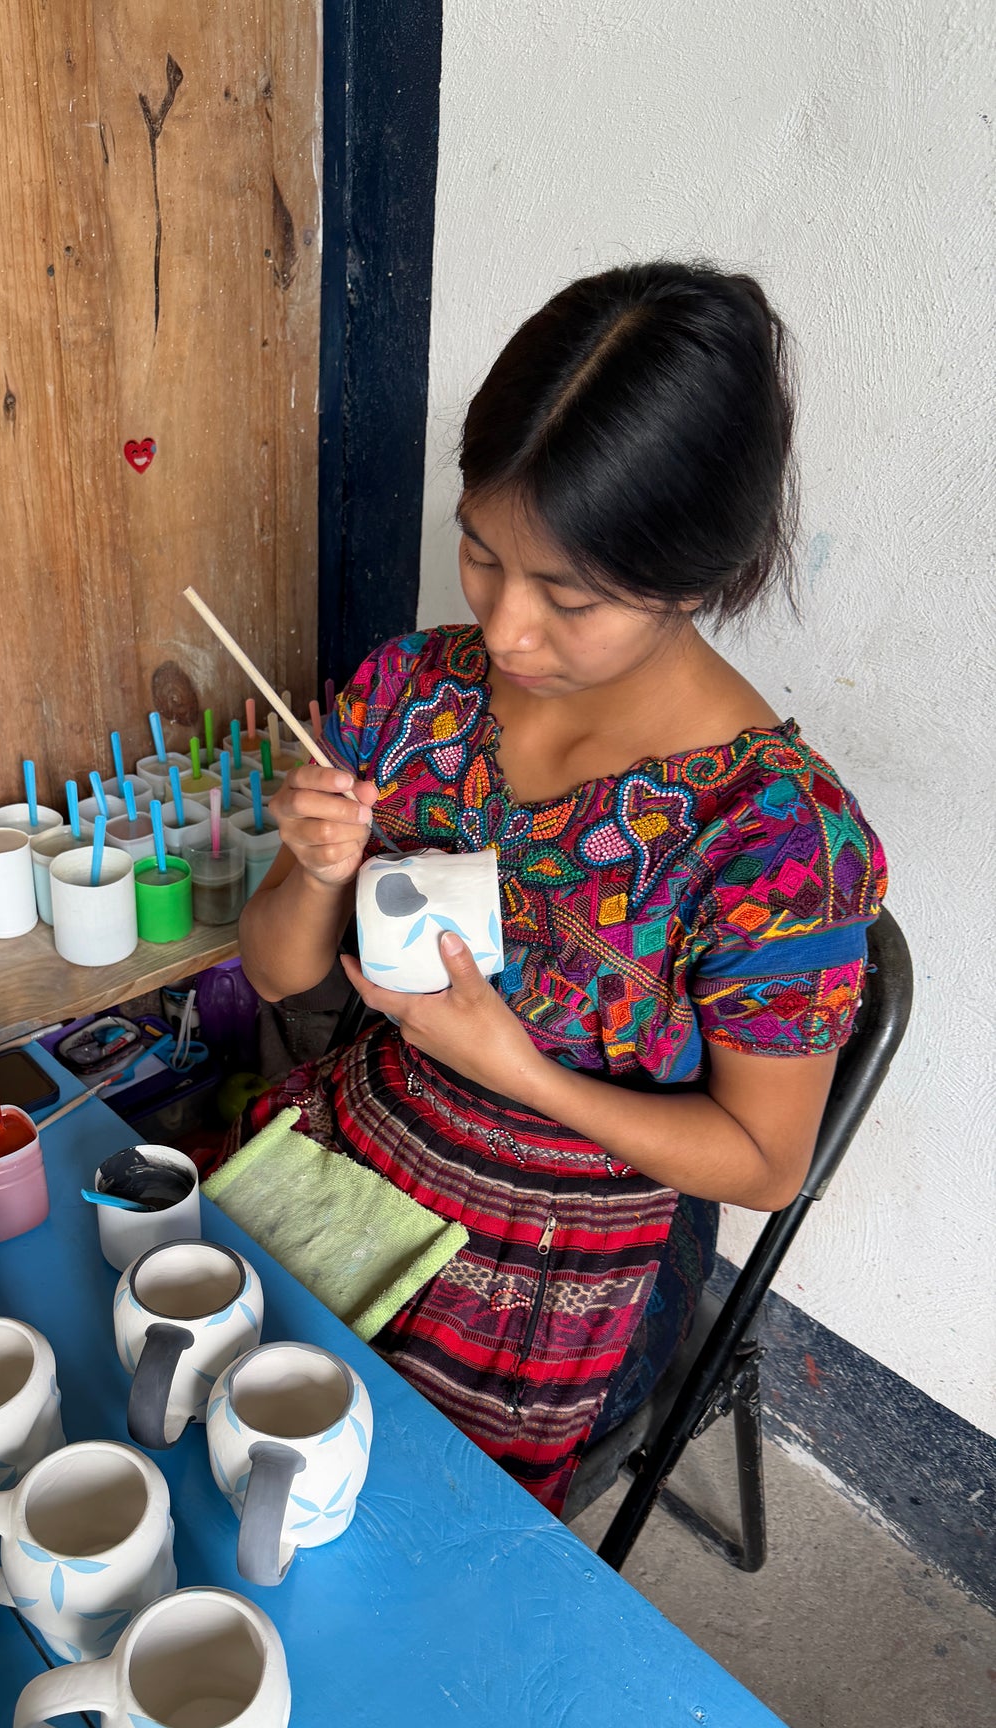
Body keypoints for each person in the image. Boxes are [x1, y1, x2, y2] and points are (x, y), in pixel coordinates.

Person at [238, 262, 886, 1513]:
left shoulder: (773, 843)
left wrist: (521, 1073)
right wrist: (315, 867)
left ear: (696, 578)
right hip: (364, 1145)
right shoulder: (411, 695)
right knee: (195, 1379)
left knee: (382, 1517)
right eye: (480, 556)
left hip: (566, 1248)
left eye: (569, 597)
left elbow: (760, 1162)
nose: (504, 633)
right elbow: (276, 973)